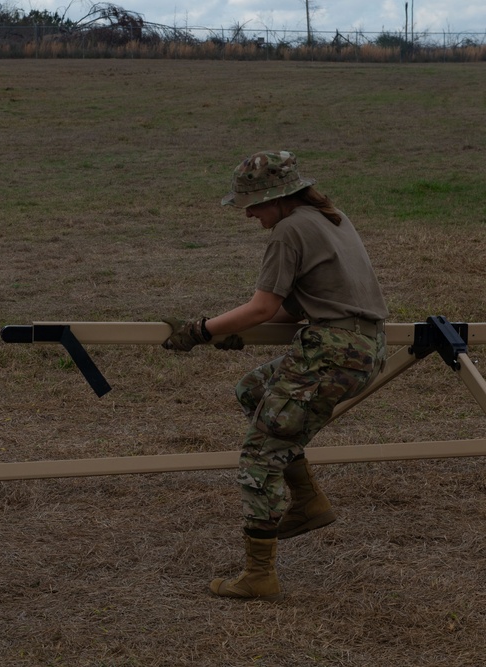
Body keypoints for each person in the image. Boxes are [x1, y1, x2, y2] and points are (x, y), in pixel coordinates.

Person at [162, 151, 388, 600]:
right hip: (364, 348)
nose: (248, 213)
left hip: (330, 354)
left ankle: (259, 575)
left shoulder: (289, 231)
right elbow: (297, 307)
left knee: (259, 457)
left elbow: (264, 306)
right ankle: (308, 502)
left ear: (279, 197)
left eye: (253, 203)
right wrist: (237, 331)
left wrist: (200, 331)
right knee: (252, 392)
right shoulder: (331, 217)